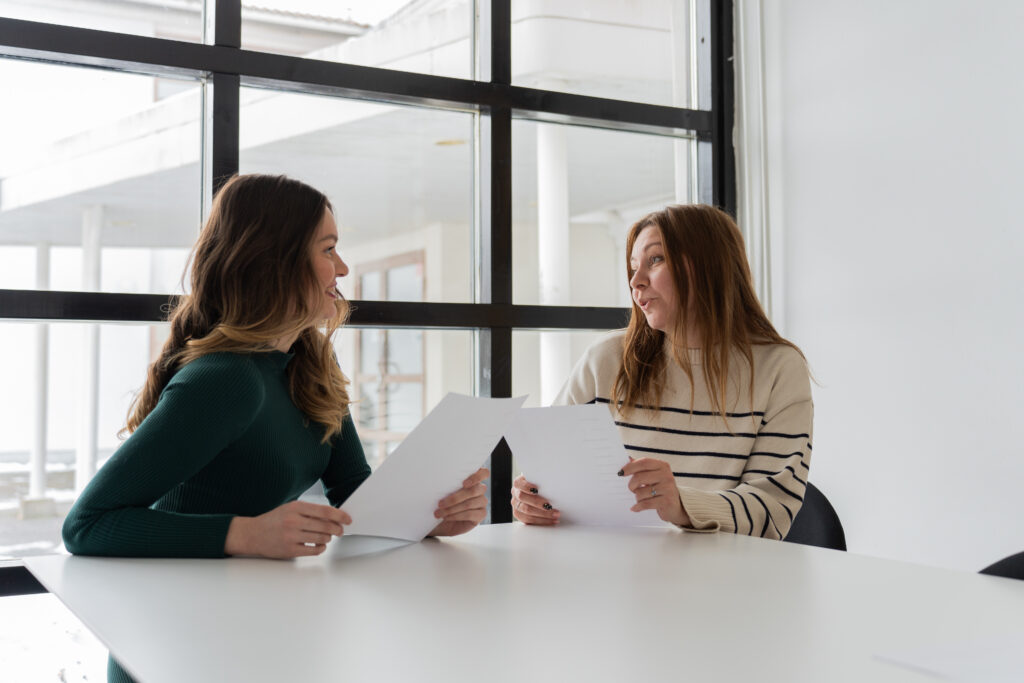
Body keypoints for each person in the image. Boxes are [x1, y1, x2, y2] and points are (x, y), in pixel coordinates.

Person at [61, 174, 489, 683]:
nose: (343, 268)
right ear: (276, 262)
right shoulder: (225, 381)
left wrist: (432, 518)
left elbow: (354, 493)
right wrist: (247, 533)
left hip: (252, 628)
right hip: (177, 645)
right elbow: (86, 525)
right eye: (328, 249)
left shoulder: (311, 362)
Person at [511, 204, 812, 538]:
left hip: (721, 568)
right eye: (632, 267)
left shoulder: (779, 369)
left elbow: (772, 511)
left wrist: (681, 505)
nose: (635, 281)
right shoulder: (605, 359)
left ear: (709, 267)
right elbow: (547, 478)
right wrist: (532, 500)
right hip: (606, 562)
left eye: (655, 260)